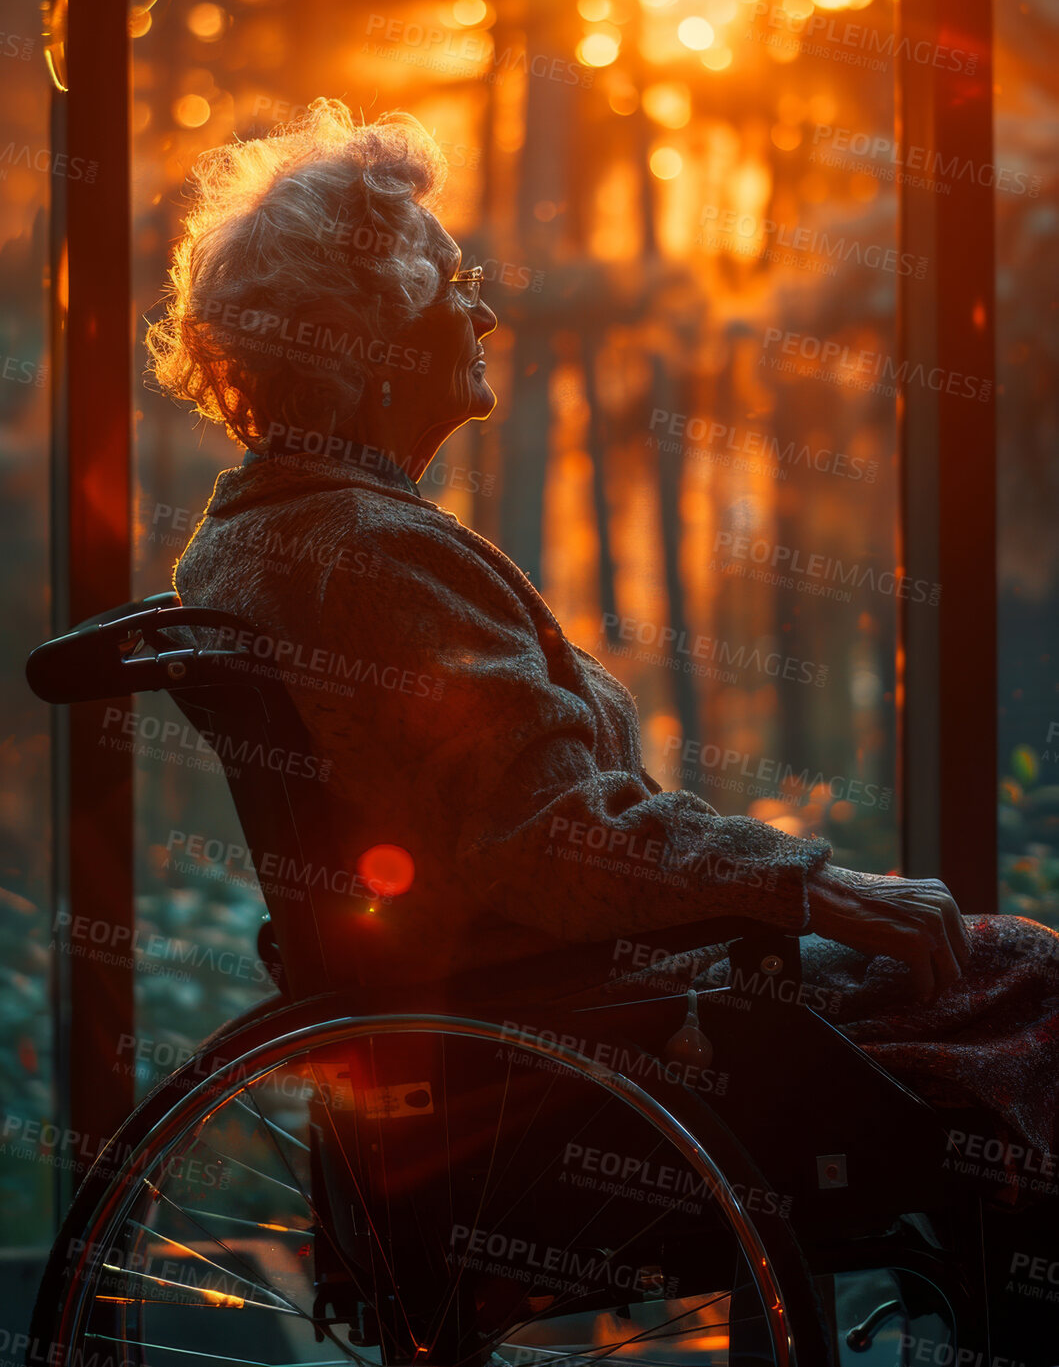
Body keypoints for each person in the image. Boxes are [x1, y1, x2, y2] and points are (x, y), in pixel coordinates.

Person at [150, 100, 1059, 1356]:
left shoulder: (254, 541)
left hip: (518, 1029)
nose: (484, 312)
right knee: (1025, 975)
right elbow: (554, 837)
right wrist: (816, 884)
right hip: (577, 1050)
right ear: (366, 342)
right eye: (452, 286)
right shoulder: (369, 557)